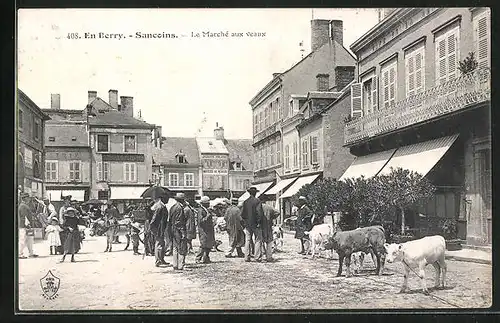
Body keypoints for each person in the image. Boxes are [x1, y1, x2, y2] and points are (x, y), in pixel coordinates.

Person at [240, 187, 264, 262]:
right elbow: (259, 213)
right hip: (256, 224)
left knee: (248, 240)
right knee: (258, 240)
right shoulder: (257, 201)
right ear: (255, 193)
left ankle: (246, 257)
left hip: (248, 224)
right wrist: (259, 222)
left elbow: (242, 214)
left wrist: (245, 222)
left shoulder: (245, 202)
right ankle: (257, 257)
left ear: (249, 193)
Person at [169, 193, 188, 270]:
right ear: (182, 200)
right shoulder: (180, 208)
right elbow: (179, 221)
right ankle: (181, 265)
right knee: (181, 247)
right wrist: (183, 232)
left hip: (172, 229)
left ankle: (175, 264)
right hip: (178, 230)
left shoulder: (173, 207)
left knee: (175, 247)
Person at [150, 194, 169, 267]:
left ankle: (161, 259)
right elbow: (154, 218)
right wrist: (153, 228)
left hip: (161, 227)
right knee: (159, 244)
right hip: (159, 228)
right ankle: (158, 260)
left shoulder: (161, 206)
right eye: (166, 198)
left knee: (162, 243)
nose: (167, 200)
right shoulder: (160, 206)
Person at [260, 196, 280, 262]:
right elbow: (277, 212)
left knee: (261, 241)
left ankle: (262, 256)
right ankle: (269, 256)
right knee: (269, 241)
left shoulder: (257, 207)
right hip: (268, 225)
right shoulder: (269, 207)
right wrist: (272, 217)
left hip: (260, 226)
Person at [195, 196, 215, 264]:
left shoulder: (206, 210)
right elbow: (201, 221)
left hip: (208, 230)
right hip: (203, 230)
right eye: (207, 203)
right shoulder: (201, 210)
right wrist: (207, 216)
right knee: (203, 244)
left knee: (208, 244)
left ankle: (206, 258)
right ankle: (198, 258)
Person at [18, 193, 38, 259]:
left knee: (30, 240)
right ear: (24, 198)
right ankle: (20, 254)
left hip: (27, 226)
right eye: (27, 197)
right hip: (24, 226)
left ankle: (31, 253)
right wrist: (28, 225)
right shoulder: (23, 206)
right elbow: (24, 217)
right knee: (23, 240)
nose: (29, 199)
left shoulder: (25, 205)